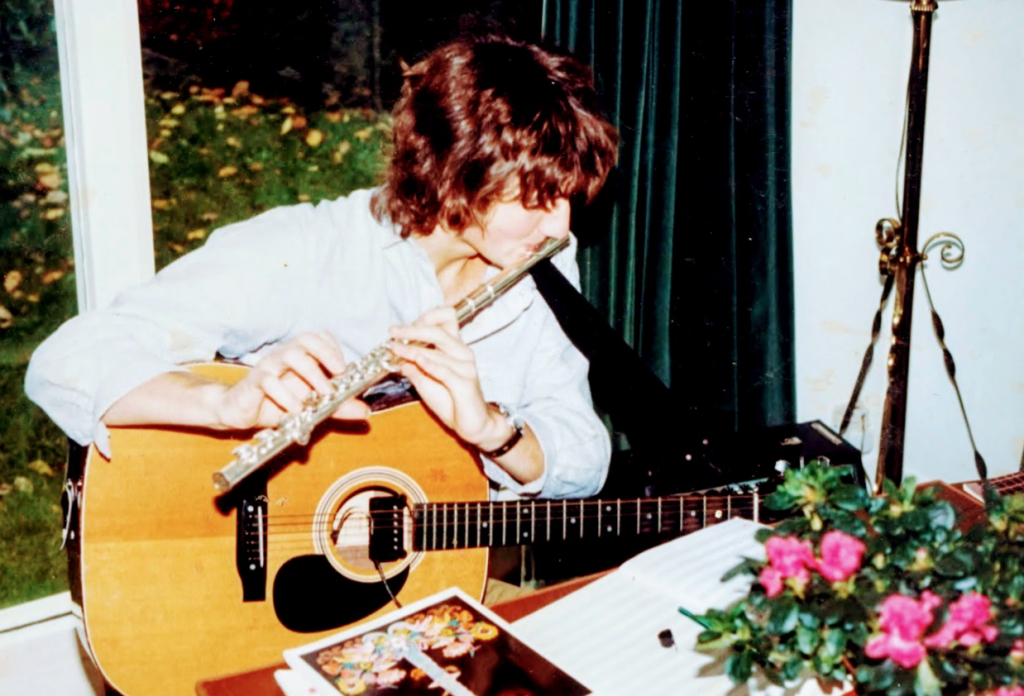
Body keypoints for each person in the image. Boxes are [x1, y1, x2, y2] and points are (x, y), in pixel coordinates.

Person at [25, 35, 619, 502]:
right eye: (535, 200)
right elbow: (68, 360)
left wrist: (493, 430)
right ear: (452, 177)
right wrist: (223, 407)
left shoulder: (538, 263)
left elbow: (587, 459)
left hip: (434, 568)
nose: (561, 227)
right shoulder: (309, 249)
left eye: (567, 197)